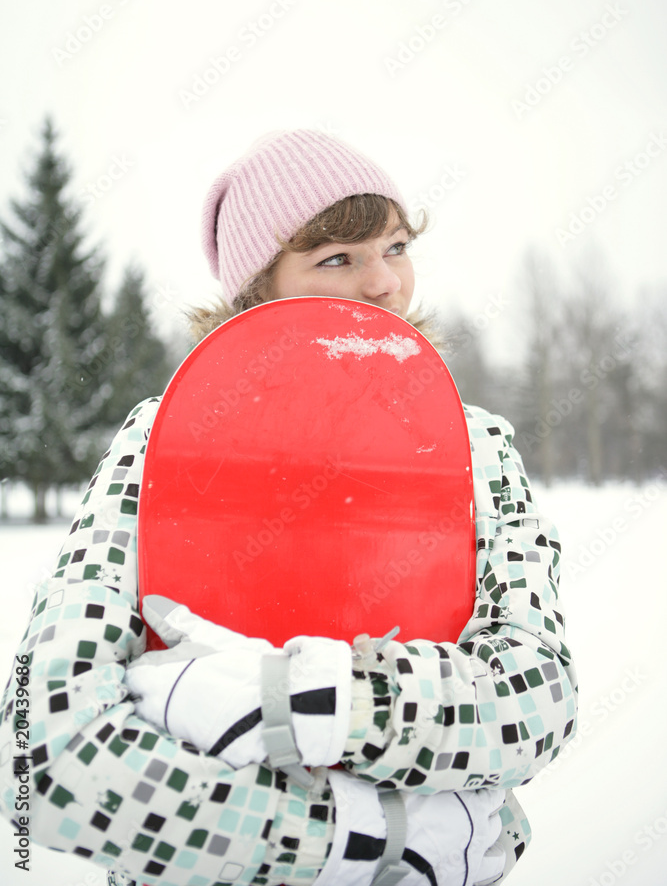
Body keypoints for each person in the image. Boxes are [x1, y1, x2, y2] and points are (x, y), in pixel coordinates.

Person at [0, 130, 577, 886]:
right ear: (258, 291)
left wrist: (319, 701)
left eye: (396, 247)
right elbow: (46, 750)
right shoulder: (164, 441)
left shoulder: (473, 447)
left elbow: (536, 698)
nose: (385, 283)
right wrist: (358, 840)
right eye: (337, 257)